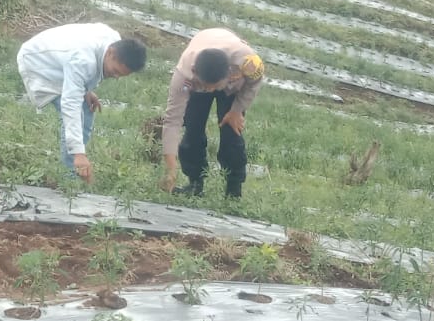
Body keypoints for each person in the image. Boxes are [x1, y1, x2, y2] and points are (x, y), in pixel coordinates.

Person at [16, 24, 147, 183]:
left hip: (63, 58)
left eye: (121, 75)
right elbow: (70, 104)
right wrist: (79, 154)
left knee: (87, 108)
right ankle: (69, 178)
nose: (117, 77)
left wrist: (86, 90)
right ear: (111, 53)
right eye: (116, 71)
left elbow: (80, 73)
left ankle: (76, 170)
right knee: (76, 111)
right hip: (38, 61)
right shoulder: (83, 60)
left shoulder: (113, 41)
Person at [160, 28, 265, 199]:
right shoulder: (184, 74)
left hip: (231, 88)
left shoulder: (247, 62)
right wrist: (171, 169)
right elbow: (172, 121)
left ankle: (233, 189)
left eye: (215, 86)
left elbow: (254, 83)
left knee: (231, 132)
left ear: (230, 73)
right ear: (195, 72)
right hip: (196, 84)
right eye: (207, 86)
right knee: (193, 128)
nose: (210, 90)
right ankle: (195, 183)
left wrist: (237, 110)